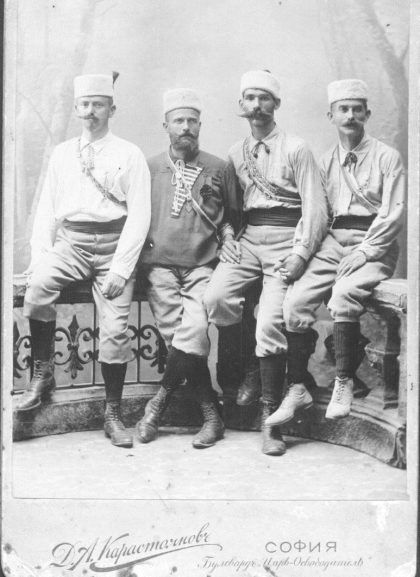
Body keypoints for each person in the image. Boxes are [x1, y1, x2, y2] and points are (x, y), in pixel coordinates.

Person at [19, 72, 151, 449]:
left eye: (98, 104)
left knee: (115, 330)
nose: (91, 111)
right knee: (38, 286)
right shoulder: (63, 153)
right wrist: (40, 256)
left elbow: (139, 215)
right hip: (71, 243)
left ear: (112, 109)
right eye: (85, 104)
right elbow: (47, 209)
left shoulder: (129, 154)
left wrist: (122, 268)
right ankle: (42, 375)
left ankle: (113, 413)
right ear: (77, 109)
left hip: (113, 246)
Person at [203, 70, 328, 456]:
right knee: (217, 297)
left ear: (277, 104)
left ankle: (270, 420)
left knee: (272, 320)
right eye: (250, 98)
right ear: (241, 104)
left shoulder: (297, 148)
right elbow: (229, 209)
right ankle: (250, 369)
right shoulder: (235, 153)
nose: (256, 106)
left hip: (286, 239)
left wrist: (301, 253)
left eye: (264, 98)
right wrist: (227, 237)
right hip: (248, 239)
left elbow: (316, 207)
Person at [269, 79, 405, 424]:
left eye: (357, 109)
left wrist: (366, 251)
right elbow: (316, 213)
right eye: (343, 109)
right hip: (333, 240)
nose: (350, 116)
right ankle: (297, 387)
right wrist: (301, 251)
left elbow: (394, 213)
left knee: (343, 294)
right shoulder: (326, 160)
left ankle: (343, 381)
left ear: (367, 114)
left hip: (374, 242)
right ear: (331, 116)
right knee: (295, 302)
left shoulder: (387, 157)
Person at [136, 88, 239, 449]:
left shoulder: (219, 168)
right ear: (165, 125)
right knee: (177, 338)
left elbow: (233, 216)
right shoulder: (148, 167)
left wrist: (228, 236)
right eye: (178, 120)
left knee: (193, 331)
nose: (185, 127)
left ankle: (157, 405)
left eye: (192, 120)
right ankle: (212, 415)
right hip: (160, 268)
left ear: (200, 124)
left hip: (201, 266)